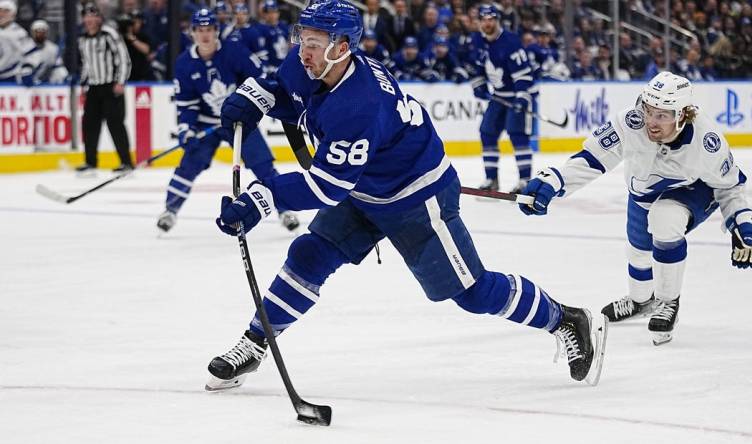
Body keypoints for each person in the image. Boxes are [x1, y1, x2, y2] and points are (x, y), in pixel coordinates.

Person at [205, 0, 606, 391]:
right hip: (365, 189)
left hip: (418, 200)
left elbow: (326, 187)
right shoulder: (311, 64)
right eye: (301, 38)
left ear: (341, 47)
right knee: (309, 256)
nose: (303, 51)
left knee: (472, 293)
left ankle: (565, 319)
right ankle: (256, 343)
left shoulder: (360, 104)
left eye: (315, 41)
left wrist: (261, 198)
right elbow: (292, 94)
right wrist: (257, 96)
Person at [519, 71, 752, 346]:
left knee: (664, 220)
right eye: (649, 110)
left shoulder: (706, 142)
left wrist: (742, 222)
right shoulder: (630, 122)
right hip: (643, 192)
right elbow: (593, 157)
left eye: (662, 115)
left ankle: (668, 302)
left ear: (683, 115)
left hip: (693, 190)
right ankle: (640, 301)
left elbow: (730, 186)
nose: (651, 122)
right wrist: (555, 181)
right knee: (638, 250)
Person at [156, 9, 298, 234]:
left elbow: (258, 76)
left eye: (209, 30)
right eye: (200, 30)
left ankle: (284, 209)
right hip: (206, 124)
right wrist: (187, 129)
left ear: (216, 31)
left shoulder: (234, 51)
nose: (205, 35)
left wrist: (246, 104)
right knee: (189, 166)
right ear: (192, 33)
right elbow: (187, 103)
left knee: (262, 165)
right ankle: (169, 210)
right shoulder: (184, 63)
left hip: (238, 122)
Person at [469, 4, 539, 194]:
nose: (487, 23)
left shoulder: (510, 42)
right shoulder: (477, 40)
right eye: (484, 20)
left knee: (517, 136)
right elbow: (476, 67)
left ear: (498, 21)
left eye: (491, 19)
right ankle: (491, 179)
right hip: (499, 97)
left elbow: (524, 75)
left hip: (518, 94)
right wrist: (478, 85)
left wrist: (522, 98)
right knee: (487, 133)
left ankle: (525, 181)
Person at [76, 2, 134, 176]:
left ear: (100, 18)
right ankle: (90, 162)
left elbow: (124, 59)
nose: (90, 20)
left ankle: (126, 163)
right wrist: (84, 84)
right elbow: (86, 64)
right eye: (87, 16)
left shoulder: (110, 35)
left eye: (94, 16)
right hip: (94, 87)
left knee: (115, 124)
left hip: (111, 86)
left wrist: (120, 82)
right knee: (89, 125)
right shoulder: (83, 39)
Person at [18, 20, 69, 86]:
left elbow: (58, 66)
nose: (40, 34)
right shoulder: (25, 47)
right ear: (32, 32)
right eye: (37, 31)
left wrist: (65, 77)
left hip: (46, 83)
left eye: (43, 31)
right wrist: (26, 75)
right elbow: (22, 67)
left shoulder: (53, 48)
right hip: (24, 84)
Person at [0, 0, 34, 83]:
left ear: (13, 14)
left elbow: (31, 54)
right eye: (0, 10)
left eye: (6, 11)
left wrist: (27, 69)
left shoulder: (19, 33)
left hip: (11, 78)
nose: (2, 14)